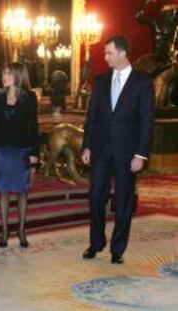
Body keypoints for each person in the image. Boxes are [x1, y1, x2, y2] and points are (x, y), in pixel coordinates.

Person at [81, 36, 155, 264]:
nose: (105, 57)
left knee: (123, 200)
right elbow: (91, 117)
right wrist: (87, 145)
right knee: (95, 196)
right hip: (101, 150)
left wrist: (140, 154)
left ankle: (118, 248)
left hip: (127, 152)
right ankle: (96, 242)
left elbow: (146, 121)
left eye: (109, 53)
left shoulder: (142, 83)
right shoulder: (100, 81)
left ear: (122, 53)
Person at [0, 63, 39, 248]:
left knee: (22, 193)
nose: (4, 76)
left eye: (8, 73)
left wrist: (35, 154)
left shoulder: (29, 98)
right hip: (1, 151)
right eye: (3, 72)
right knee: (3, 193)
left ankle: (21, 230)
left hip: (21, 151)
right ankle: (4, 230)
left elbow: (33, 127)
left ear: (18, 76)